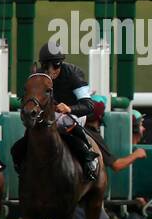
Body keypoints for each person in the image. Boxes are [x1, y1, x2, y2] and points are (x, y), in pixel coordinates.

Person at [11, 38, 102, 181]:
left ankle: (88, 156)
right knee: (17, 147)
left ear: (60, 64)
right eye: (47, 66)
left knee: (65, 123)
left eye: (55, 66)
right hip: (49, 114)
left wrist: (69, 108)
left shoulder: (74, 75)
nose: (51, 71)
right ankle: (22, 166)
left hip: (74, 114)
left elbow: (88, 105)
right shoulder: (39, 76)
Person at [108, 110, 151, 219]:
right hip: (125, 202)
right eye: (140, 124)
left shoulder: (133, 149)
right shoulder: (123, 150)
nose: (143, 128)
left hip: (135, 203)